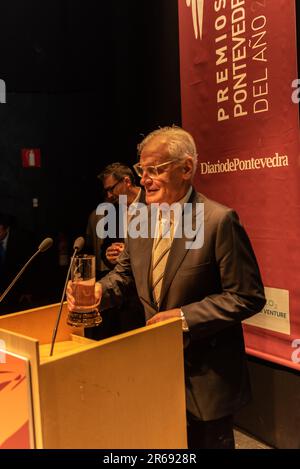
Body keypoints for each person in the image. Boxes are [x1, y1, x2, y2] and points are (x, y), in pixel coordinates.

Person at [68, 126, 266, 448]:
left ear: (186, 169)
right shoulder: (140, 219)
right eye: (141, 170)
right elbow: (126, 275)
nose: (144, 180)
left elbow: (246, 295)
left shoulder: (218, 221)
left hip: (205, 382)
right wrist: (101, 291)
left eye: (155, 170)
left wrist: (184, 317)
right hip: (155, 373)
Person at [85, 162, 146, 338]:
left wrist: (129, 251)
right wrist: (109, 255)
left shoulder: (152, 202)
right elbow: (105, 247)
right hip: (123, 294)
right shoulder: (111, 211)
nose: (109, 195)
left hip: (146, 293)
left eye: (111, 189)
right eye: (107, 191)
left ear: (126, 181)